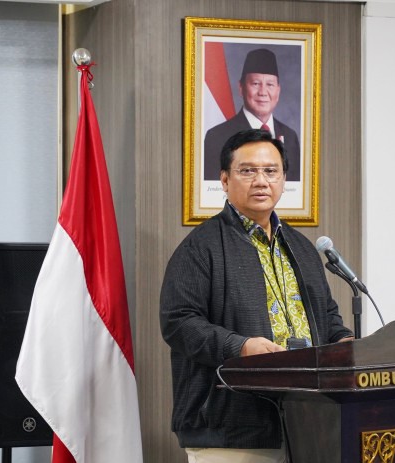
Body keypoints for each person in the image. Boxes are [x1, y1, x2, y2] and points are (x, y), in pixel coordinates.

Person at [160, 129, 353, 462]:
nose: (261, 181)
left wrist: (343, 341)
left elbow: (327, 316)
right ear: (224, 180)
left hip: (308, 424)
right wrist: (241, 347)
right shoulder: (200, 247)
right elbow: (179, 323)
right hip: (231, 431)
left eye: (270, 171)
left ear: (283, 180)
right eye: (247, 171)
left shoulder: (302, 248)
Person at [204, 48, 301, 182]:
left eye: (270, 84)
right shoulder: (217, 136)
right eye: (255, 83)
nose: (263, 92)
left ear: (278, 91)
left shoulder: (290, 137)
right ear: (241, 88)